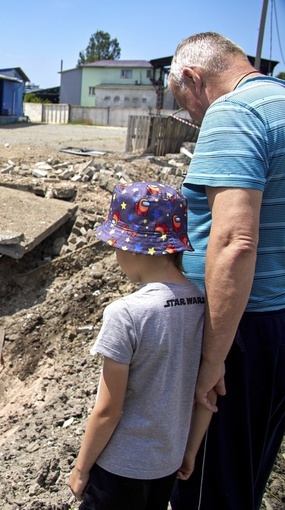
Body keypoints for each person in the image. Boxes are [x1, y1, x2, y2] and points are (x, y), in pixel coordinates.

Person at [166, 32, 285, 510]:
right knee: (248, 468)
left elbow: (235, 241)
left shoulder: (234, 113)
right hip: (275, 320)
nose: (193, 118)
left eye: (185, 103)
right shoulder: (278, 102)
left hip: (241, 330)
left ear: (194, 79)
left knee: (210, 488)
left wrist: (212, 360)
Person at [68, 181, 205, 509]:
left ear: (133, 247)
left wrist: (80, 468)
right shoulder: (202, 304)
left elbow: (107, 410)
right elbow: (208, 393)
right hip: (167, 464)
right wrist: (189, 451)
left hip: (120, 469)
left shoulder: (125, 314)